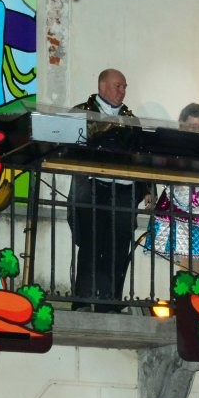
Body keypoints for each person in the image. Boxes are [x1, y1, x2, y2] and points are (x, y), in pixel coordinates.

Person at [67, 68, 143, 312]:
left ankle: (110, 302)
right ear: (102, 86)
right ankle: (83, 300)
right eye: (118, 86)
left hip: (124, 190)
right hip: (92, 187)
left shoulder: (131, 120)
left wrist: (147, 188)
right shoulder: (81, 113)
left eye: (124, 87)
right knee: (91, 245)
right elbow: (69, 147)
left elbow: (142, 156)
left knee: (119, 247)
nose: (123, 91)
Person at [146, 103, 199, 274]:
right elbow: (156, 168)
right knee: (183, 259)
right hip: (178, 202)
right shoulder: (171, 144)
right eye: (191, 127)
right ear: (182, 124)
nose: (195, 132)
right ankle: (185, 291)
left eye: (198, 128)